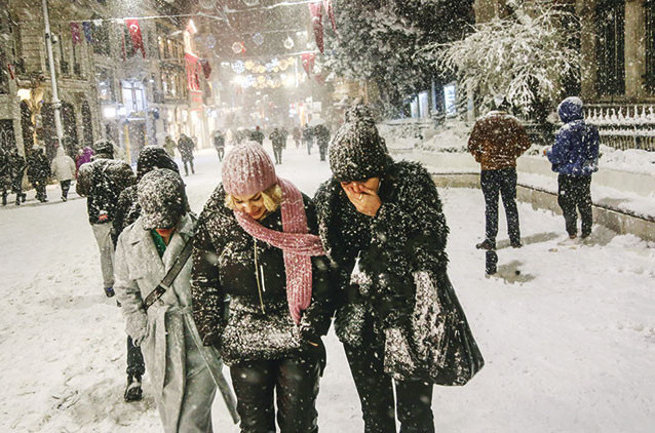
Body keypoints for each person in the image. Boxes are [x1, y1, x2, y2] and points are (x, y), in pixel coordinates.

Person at [315, 105, 484, 433]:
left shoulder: (410, 183)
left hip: (409, 319)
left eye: (364, 179)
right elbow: (330, 266)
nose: (355, 189)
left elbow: (431, 248)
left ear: (381, 168)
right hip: (359, 325)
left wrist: (382, 214)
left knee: (416, 417)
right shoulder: (330, 198)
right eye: (345, 181)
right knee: (375, 416)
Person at [191, 143, 333, 433]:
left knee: (299, 424)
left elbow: (325, 271)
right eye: (238, 200)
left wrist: (315, 323)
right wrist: (213, 332)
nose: (247, 208)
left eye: (255, 198)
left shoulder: (300, 208)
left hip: (295, 326)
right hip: (245, 330)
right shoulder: (216, 216)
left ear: (270, 189)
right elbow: (203, 279)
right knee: (255, 427)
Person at [115, 168, 219, 432]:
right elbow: (126, 289)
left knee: (189, 423)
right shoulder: (129, 240)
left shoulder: (201, 233)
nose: (163, 229)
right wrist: (140, 329)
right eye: (156, 224)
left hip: (200, 337)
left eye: (169, 222)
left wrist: (217, 327)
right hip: (158, 341)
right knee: (173, 419)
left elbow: (221, 284)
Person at [467, 96, 531, 249]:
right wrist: (512, 154)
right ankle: (515, 238)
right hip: (508, 169)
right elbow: (525, 143)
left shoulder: (483, 122)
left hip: (489, 170)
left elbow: (472, 145)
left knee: (491, 205)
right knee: (510, 203)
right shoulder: (513, 122)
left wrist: (482, 158)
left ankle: (490, 239)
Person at [76, 139, 135, 298]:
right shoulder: (121, 167)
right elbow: (132, 188)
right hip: (119, 214)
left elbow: (81, 191)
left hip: (97, 215)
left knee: (104, 251)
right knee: (121, 249)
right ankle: (124, 283)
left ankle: (108, 285)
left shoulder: (86, 169)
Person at [545, 96, 600, 240]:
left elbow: (558, 154)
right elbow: (593, 152)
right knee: (584, 200)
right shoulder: (591, 129)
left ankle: (572, 231)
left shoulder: (566, 130)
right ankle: (586, 229)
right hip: (584, 173)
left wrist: (548, 152)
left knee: (567, 202)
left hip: (568, 173)